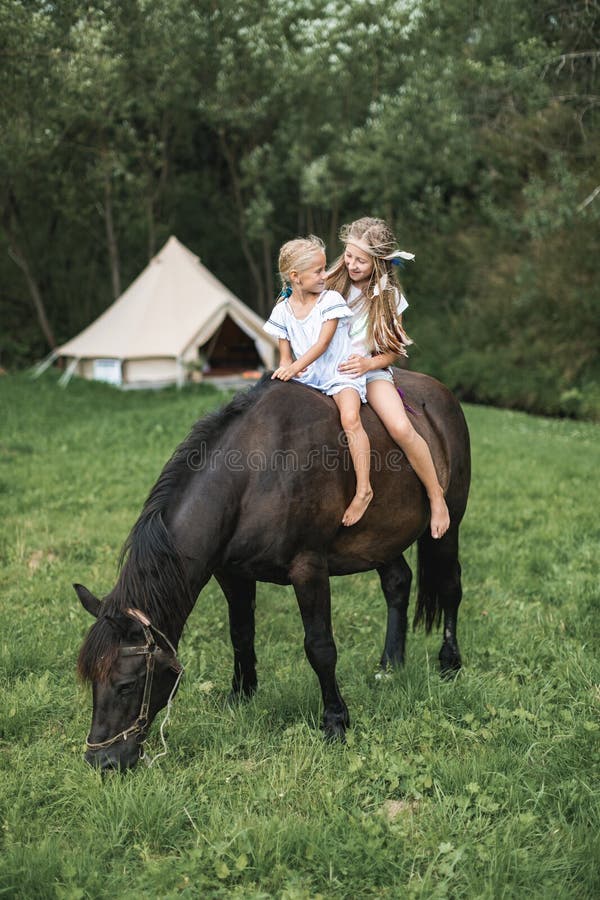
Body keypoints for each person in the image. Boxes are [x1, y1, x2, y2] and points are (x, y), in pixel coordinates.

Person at [327, 217, 450, 539]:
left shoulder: (388, 296)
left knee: (400, 427)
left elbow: (394, 351)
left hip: (370, 372)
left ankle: (436, 496)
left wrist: (368, 365)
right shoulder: (330, 283)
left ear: (378, 263)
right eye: (349, 256)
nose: (351, 264)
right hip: (327, 370)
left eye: (360, 260)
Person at [264, 235, 373, 527]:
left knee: (350, 419)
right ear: (295, 277)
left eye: (325, 268)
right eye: (318, 271)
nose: (325, 275)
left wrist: (295, 366)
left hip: (338, 373)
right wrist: (286, 368)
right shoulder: (282, 311)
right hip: (309, 378)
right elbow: (284, 355)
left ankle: (364, 489)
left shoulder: (331, 301)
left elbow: (321, 345)